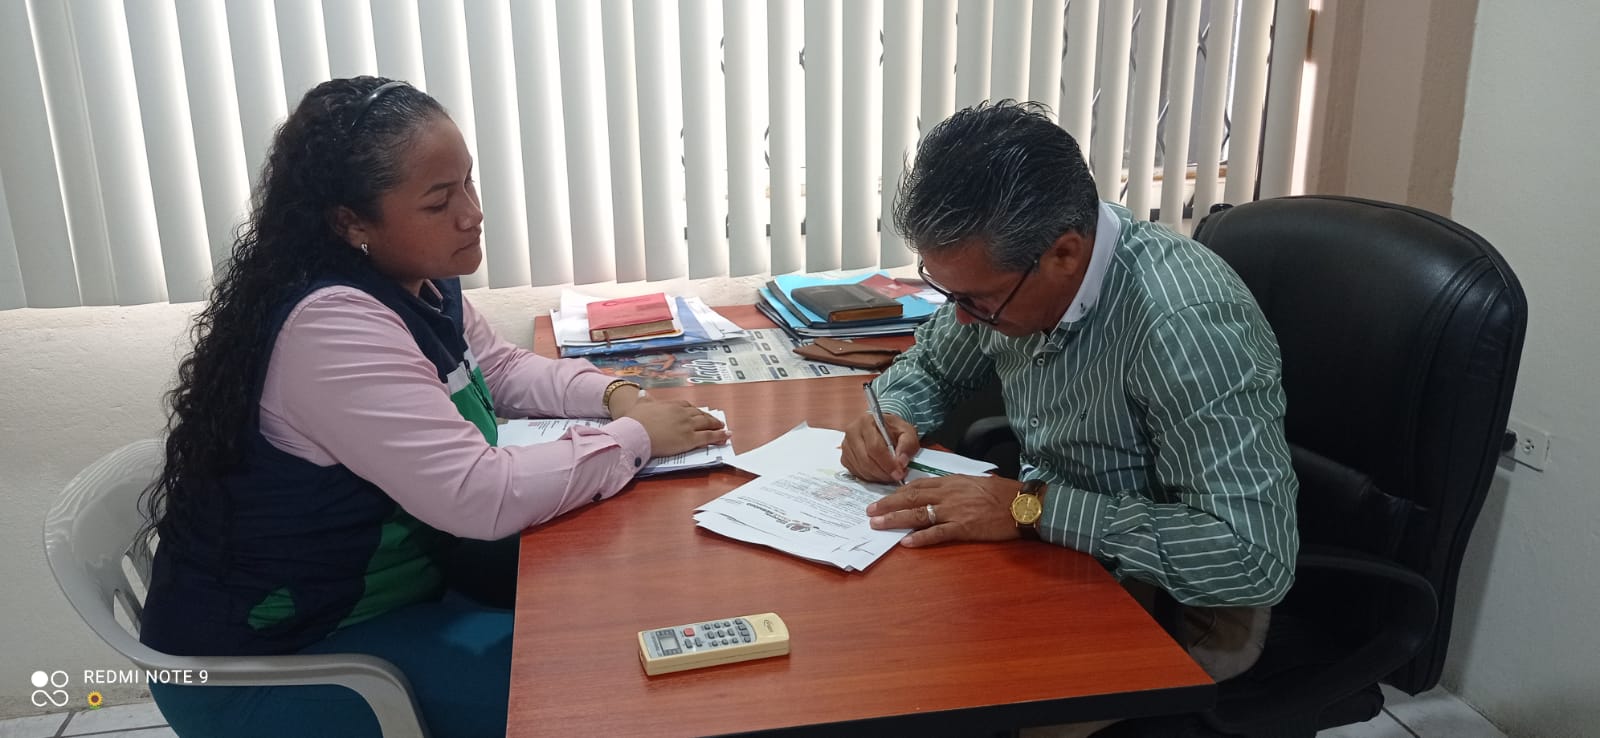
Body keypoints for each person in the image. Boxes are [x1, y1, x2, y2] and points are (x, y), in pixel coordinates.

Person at [138, 76, 728, 738]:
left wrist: (617, 395)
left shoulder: (415, 281)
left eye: (469, 183)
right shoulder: (332, 326)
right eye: (439, 201)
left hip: (393, 598)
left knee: (613, 607)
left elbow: (497, 368)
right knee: (597, 689)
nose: (472, 213)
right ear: (351, 222)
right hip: (274, 665)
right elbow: (476, 495)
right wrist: (634, 437)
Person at [841, 101, 1299, 689]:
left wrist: (1029, 508)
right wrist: (891, 414)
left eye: (978, 300)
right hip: (1053, 553)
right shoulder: (1009, 276)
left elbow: (1250, 558)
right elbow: (933, 365)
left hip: (1172, 605)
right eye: (948, 293)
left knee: (948, 695)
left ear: (1064, 254)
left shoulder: (1183, 323)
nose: (963, 319)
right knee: (883, 648)